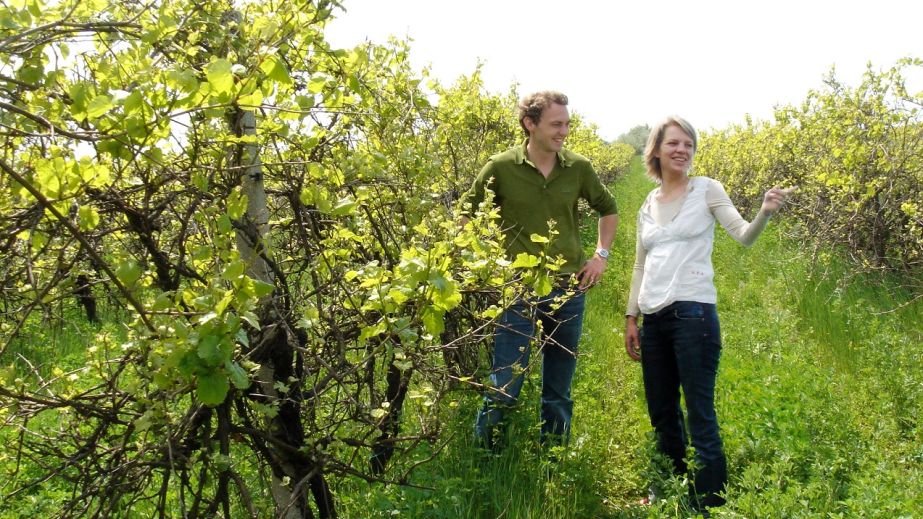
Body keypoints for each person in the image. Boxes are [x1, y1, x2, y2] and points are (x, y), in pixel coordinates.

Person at [624, 116, 794, 512]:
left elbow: (743, 236)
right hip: (654, 317)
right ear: (657, 150)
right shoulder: (647, 204)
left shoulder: (707, 190)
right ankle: (672, 486)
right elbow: (639, 265)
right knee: (661, 410)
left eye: (689, 144)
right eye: (674, 144)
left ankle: (709, 502)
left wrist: (765, 211)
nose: (682, 150)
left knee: (700, 412)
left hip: (693, 314)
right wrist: (631, 318)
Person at [459, 91, 619, 449]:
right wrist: (483, 258)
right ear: (530, 124)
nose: (564, 131)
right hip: (516, 289)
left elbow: (608, 208)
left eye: (566, 123)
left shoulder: (578, 167)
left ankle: (555, 459)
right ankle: (484, 459)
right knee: (504, 385)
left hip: (568, 290)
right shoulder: (500, 166)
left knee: (559, 388)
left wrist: (601, 256)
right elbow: (465, 212)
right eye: (556, 124)